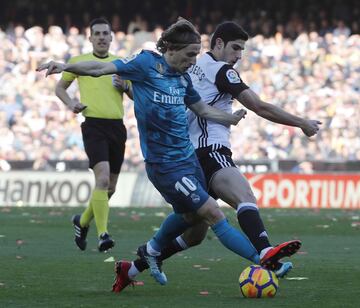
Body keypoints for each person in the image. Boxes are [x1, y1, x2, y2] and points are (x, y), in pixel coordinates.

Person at [37, 18, 309, 291]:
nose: (193, 61)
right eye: (190, 54)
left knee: (193, 224)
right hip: (164, 165)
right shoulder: (145, 64)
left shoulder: (182, 79)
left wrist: (229, 118)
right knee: (213, 213)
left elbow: (202, 110)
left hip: (188, 159)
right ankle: (264, 257)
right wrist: (65, 66)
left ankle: (143, 258)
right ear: (172, 49)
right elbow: (99, 68)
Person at [111, 21, 322, 293]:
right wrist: (301, 122)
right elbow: (259, 106)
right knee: (244, 196)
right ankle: (266, 252)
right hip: (211, 151)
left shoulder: (190, 67)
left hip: (187, 157)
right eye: (235, 48)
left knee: (194, 231)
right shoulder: (223, 72)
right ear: (218, 43)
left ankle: (134, 266)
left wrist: (130, 89)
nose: (239, 56)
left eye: (242, 50)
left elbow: (162, 98)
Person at [54, 18, 131, 252]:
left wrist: (126, 87)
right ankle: (103, 234)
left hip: (117, 127)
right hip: (93, 125)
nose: (100, 37)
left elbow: (136, 95)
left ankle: (82, 221)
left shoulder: (121, 64)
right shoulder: (78, 62)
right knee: (103, 179)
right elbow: (59, 88)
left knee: (111, 188)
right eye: (96, 33)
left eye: (104, 33)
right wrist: (71, 104)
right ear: (90, 38)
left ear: (111, 37)